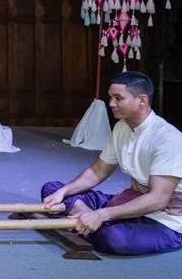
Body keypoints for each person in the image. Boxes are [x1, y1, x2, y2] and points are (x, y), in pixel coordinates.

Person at [42, 71, 182, 255]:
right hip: (133, 201)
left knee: (115, 239)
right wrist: (64, 192)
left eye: (118, 98)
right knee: (52, 190)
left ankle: (91, 222)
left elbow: (158, 200)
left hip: (165, 219)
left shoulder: (167, 138)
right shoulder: (121, 127)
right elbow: (98, 171)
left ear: (142, 100)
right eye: (110, 97)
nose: (111, 104)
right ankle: (88, 221)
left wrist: (101, 214)